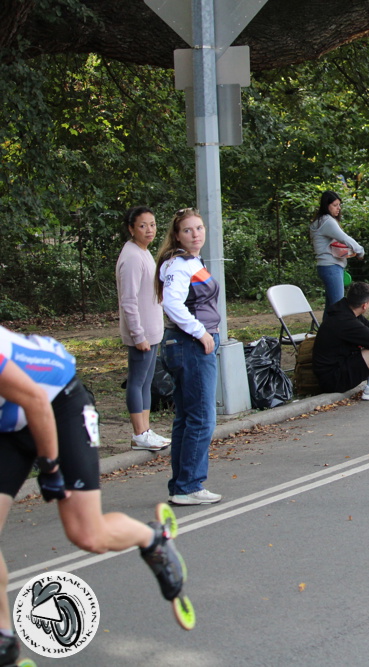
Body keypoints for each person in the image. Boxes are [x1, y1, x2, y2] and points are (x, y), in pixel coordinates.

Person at [0, 326, 187, 666]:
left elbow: (35, 400)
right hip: (9, 422)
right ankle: (5, 642)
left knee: (87, 534)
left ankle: (152, 539)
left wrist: (50, 468)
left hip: (56, 403)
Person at [156, 208, 222, 506]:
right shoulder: (179, 264)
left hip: (186, 344)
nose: (196, 234)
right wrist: (201, 332)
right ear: (177, 235)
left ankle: (181, 485)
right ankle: (189, 486)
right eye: (188, 230)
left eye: (199, 228)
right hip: (190, 345)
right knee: (201, 418)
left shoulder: (190, 261)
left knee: (186, 417)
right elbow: (172, 303)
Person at [115, 206, 169, 452]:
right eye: (142, 226)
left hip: (152, 330)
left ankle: (146, 431)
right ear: (131, 228)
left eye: (153, 224)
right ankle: (139, 434)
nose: (149, 230)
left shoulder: (144, 252)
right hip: (142, 334)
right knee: (136, 382)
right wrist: (138, 335)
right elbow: (128, 301)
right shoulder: (132, 257)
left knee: (147, 382)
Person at [309, 190, 364, 320]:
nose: (338, 208)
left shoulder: (320, 221)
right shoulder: (327, 221)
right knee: (339, 306)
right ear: (326, 205)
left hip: (327, 267)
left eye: (339, 205)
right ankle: (340, 331)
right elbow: (344, 238)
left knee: (331, 308)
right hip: (331, 267)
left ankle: (326, 332)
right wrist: (360, 251)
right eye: (334, 205)